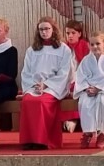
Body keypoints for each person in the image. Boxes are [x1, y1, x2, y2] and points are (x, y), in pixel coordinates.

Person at [19, 16, 75, 150]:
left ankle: (42, 140)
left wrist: (46, 85)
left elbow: (64, 72)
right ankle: (29, 140)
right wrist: (34, 85)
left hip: (54, 87)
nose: (44, 32)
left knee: (41, 102)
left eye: (47, 29)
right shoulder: (32, 50)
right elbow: (26, 72)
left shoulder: (63, 49)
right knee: (27, 101)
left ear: (53, 29)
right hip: (34, 86)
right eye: (41, 29)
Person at [74, 31, 104, 149]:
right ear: (88, 45)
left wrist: (99, 88)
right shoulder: (86, 60)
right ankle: (88, 132)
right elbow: (80, 76)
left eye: (98, 44)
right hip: (89, 90)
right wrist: (86, 88)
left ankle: (101, 133)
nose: (95, 46)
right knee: (85, 103)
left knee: (103, 102)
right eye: (92, 44)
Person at [59, 20, 91, 132]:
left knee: (76, 91)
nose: (70, 36)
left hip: (82, 79)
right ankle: (64, 120)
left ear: (79, 34)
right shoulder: (63, 48)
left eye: (73, 33)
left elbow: (87, 67)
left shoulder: (85, 46)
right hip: (68, 79)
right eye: (68, 33)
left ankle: (73, 119)